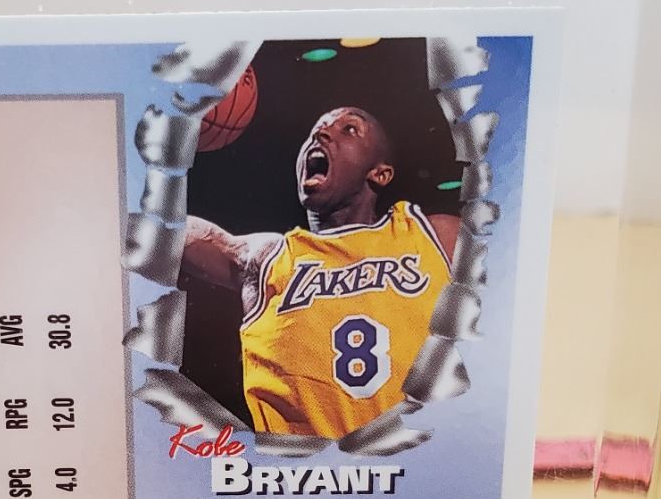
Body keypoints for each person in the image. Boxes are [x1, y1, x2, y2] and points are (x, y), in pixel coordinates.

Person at [181, 107, 459, 437]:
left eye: (349, 129)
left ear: (380, 173)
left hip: (417, 459)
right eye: (317, 129)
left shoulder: (433, 236)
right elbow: (160, 230)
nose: (321, 133)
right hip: (308, 466)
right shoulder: (267, 258)